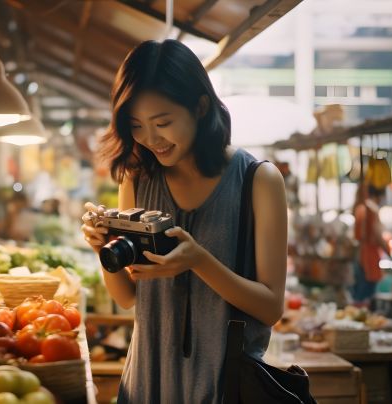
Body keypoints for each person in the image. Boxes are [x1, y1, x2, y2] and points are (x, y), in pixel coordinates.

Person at [81, 40, 288, 404]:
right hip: (145, 383)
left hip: (224, 388)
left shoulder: (259, 180)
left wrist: (198, 260)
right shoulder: (136, 179)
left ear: (201, 106)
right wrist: (104, 249)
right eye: (137, 126)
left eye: (163, 122)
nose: (150, 139)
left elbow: (270, 308)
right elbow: (128, 298)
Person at [350, 183, 390, 302]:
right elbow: (378, 236)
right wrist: (390, 253)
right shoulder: (371, 210)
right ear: (381, 195)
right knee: (366, 300)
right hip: (369, 259)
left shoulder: (360, 208)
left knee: (357, 296)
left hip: (358, 257)